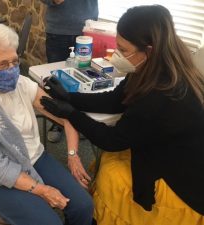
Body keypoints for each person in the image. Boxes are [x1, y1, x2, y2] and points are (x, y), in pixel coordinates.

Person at [40, 5, 204, 225]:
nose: (117, 55)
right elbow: (115, 100)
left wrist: (72, 115)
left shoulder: (163, 93)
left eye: (124, 50)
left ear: (149, 50)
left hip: (180, 176)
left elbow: (113, 140)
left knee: (111, 176)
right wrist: (70, 96)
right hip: (162, 147)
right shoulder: (148, 68)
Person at [0, 23, 94, 225]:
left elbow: (65, 116)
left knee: (84, 206)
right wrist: (41, 190)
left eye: (14, 61)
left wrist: (72, 155)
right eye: (2, 64)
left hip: (34, 158)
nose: (11, 69)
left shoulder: (22, 84)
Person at [41, 0, 98, 143]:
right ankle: (58, 122)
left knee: (86, 77)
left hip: (88, 28)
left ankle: (82, 120)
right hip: (58, 31)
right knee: (56, 80)